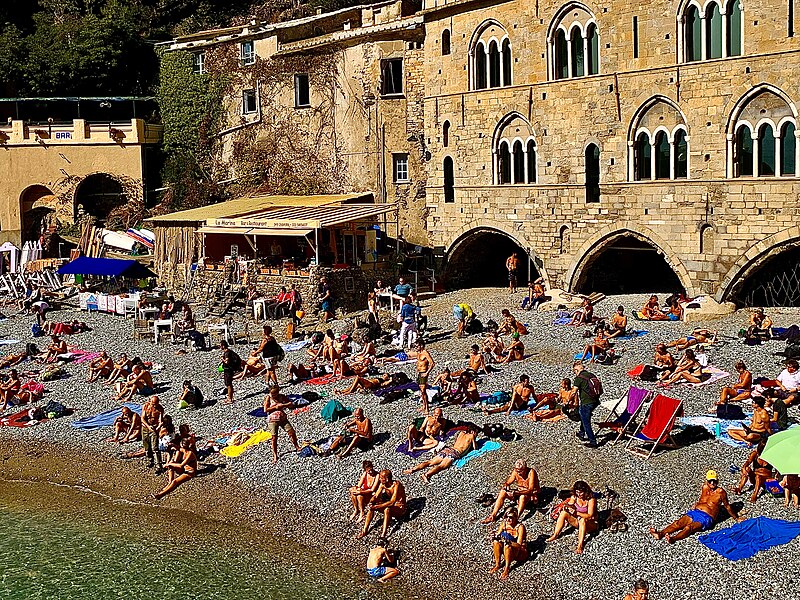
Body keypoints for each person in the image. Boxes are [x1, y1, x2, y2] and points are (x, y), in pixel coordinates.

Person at [649, 471, 743, 543]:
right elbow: (702, 500)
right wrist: (696, 504)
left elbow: (727, 506)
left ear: (717, 481)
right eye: (710, 480)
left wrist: (736, 518)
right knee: (677, 523)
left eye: (714, 480)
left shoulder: (721, 492)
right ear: (706, 481)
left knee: (688, 528)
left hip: (706, 518)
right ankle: (660, 534)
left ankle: (673, 539)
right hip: (696, 512)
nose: (712, 482)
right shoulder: (704, 487)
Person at [403, 425, 478, 483]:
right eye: (476, 433)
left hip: (448, 449)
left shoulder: (461, 433)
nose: (476, 435)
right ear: (472, 431)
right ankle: (426, 475)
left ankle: (412, 470)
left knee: (430, 462)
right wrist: (474, 441)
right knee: (441, 466)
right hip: (455, 453)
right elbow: (475, 448)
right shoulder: (471, 436)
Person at [547, 480, 599, 554]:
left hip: (591, 523)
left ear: (585, 491)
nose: (579, 494)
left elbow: (589, 515)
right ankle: (555, 534)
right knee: (563, 513)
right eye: (577, 492)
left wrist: (576, 513)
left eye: (580, 492)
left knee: (583, 520)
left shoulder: (591, 500)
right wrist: (567, 508)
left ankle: (580, 545)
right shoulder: (574, 497)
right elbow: (570, 505)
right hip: (578, 521)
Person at [356, 469, 407, 539]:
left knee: (387, 509)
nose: (379, 479)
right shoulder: (383, 484)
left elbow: (392, 502)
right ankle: (364, 530)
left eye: (381, 478)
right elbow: (376, 496)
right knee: (372, 507)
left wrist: (377, 507)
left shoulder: (396, 485)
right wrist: (371, 502)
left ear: (386, 479)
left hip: (400, 508)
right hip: (392, 505)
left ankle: (383, 534)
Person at [263, 385, 301, 463]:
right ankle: (275, 455)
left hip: (282, 418)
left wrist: (283, 405)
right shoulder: (268, 398)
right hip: (272, 420)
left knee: (291, 432)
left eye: (274, 393)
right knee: (274, 438)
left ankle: (296, 446)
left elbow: (290, 404)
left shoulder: (281, 396)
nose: (272, 395)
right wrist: (276, 407)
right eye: (271, 393)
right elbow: (265, 409)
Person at [488, 507, 528, 580]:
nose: (508, 519)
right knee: (496, 542)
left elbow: (519, 545)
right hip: (508, 549)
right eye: (506, 517)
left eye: (510, 517)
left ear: (516, 517)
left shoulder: (520, 527)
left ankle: (507, 568)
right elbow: (498, 535)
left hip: (520, 552)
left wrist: (508, 542)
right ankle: (497, 564)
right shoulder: (504, 524)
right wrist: (494, 536)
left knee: (507, 546)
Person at [573, 362, 601, 448]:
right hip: (595, 401)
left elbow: (574, 392)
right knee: (583, 415)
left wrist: (567, 402)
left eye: (574, 372)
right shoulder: (591, 375)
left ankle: (593, 441)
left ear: (576, 370)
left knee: (586, 422)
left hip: (586, 402)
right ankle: (581, 433)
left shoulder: (579, 378)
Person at [141, 395, 164, 471]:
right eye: (153, 403)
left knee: (155, 447)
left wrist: (158, 427)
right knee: (147, 446)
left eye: (155, 404)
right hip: (145, 428)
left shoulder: (160, 409)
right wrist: (148, 426)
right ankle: (151, 460)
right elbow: (142, 418)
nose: (154, 405)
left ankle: (159, 466)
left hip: (154, 428)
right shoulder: (146, 406)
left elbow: (161, 421)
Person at [415, 340, 435, 414]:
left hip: (424, 372)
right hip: (420, 373)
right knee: (421, 390)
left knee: (423, 391)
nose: (416, 347)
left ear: (421, 345)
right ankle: (424, 406)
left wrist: (427, 373)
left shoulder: (425, 353)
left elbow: (432, 363)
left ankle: (427, 408)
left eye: (417, 346)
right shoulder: (418, 353)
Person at [219, 340, 241, 405]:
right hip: (230, 369)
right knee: (229, 384)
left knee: (229, 384)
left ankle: (230, 399)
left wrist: (222, 359)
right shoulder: (229, 351)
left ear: (223, 346)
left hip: (228, 370)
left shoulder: (227, 353)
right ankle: (229, 397)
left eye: (220, 345)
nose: (220, 347)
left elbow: (227, 362)